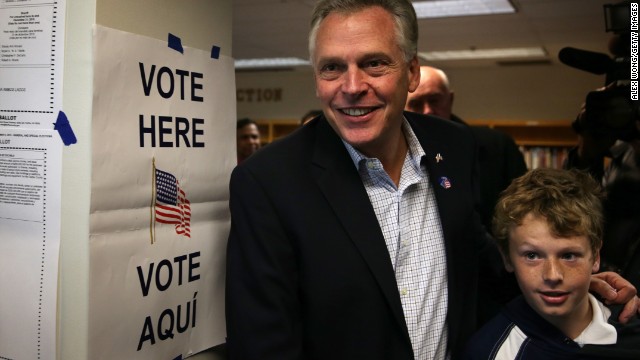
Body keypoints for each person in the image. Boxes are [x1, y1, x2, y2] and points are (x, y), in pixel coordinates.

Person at [225, 1, 639, 359]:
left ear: (412, 72)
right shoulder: (267, 182)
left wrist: (579, 286)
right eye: (332, 68)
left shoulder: (453, 146)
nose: (352, 87)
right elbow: (264, 343)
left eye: (373, 63)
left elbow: (478, 258)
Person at [463, 168, 640, 359]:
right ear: (507, 257)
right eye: (532, 256)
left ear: (596, 256)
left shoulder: (631, 329)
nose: (553, 275)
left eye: (569, 255)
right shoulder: (490, 351)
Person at [405, 66, 527, 231]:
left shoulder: (497, 146)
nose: (427, 111)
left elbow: (524, 211)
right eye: (416, 104)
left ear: (450, 99)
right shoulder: (395, 156)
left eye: (434, 100)